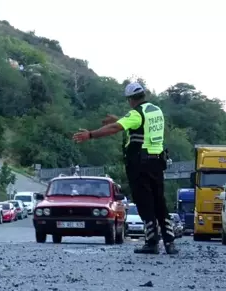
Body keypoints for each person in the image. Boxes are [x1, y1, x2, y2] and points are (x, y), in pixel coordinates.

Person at [72, 82, 178, 255]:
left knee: (145, 203)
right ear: (144, 95)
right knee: (160, 202)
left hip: (140, 163)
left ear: (130, 99)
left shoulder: (136, 114)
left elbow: (117, 128)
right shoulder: (155, 111)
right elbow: (139, 127)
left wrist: (90, 134)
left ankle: (151, 242)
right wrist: (119, 120)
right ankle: (170, 242)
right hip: (157, 162)